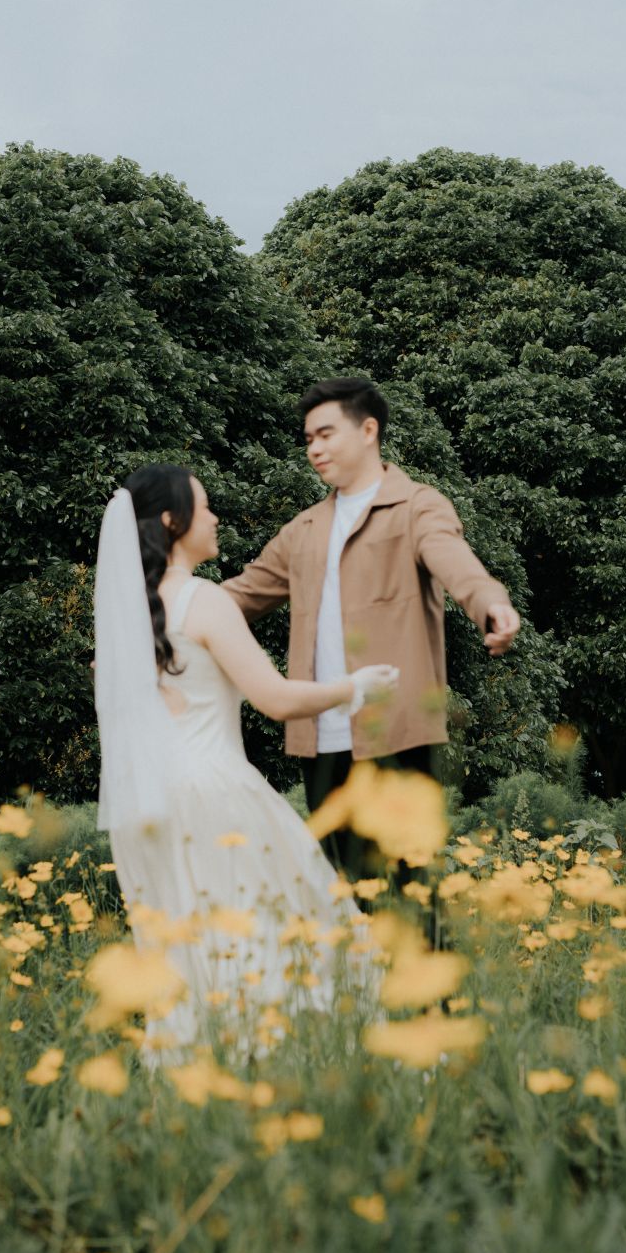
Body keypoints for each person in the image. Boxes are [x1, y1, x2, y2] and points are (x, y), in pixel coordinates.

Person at [93, 462, 397, 1067]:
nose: (215, 518)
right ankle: (285, 1068)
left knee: (185, 954)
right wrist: (353, 687)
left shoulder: (125, 618)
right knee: (269, 936)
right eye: (204, 507)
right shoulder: (203, 600)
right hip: (215, 797)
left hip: (147, 805)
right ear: (172, 521)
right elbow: (275, 698)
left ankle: (200, 1075)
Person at [222, 377, 522, 910]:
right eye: (308, 439)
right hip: (320, 735)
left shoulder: (416, 506)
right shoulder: (304, 529)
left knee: (411, 890)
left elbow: (454, 560)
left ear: (367, 431)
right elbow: (239, 596)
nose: (314, 449)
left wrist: (490, 603)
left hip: (395, 730)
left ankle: (429, 970)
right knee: (346, 895)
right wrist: (156, 624)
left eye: (326, 434)